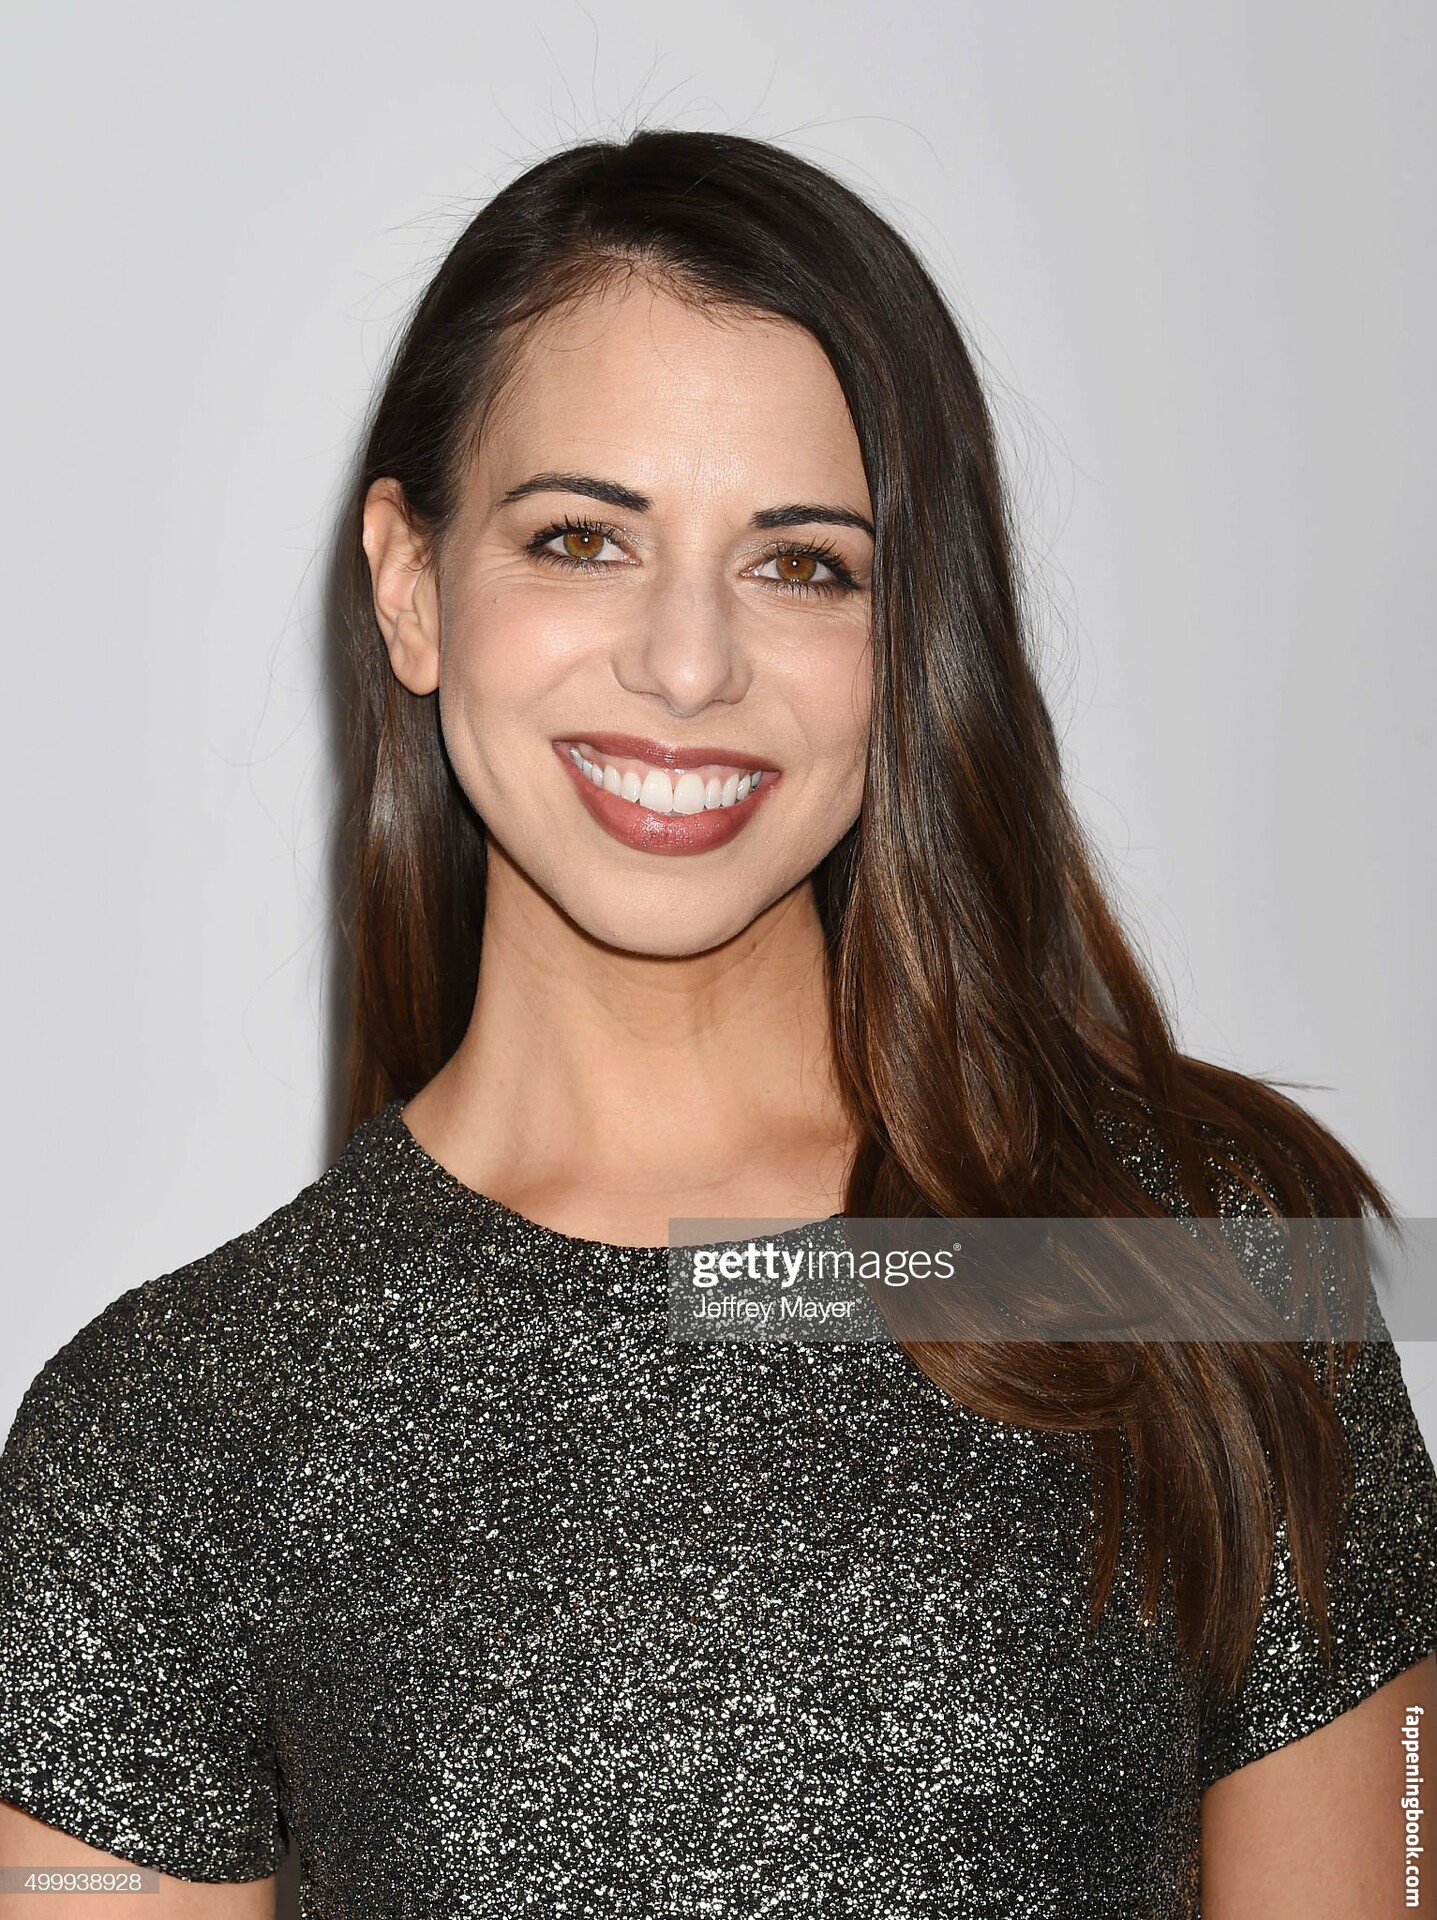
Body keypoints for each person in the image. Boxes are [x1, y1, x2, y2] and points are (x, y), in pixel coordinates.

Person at [0, 127, 1433, 1920]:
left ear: (911, 633)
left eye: (801, 564)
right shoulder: (165, 1436)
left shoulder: (1205, 1259)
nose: (687, 666)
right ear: (410, 585)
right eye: (581, 540)